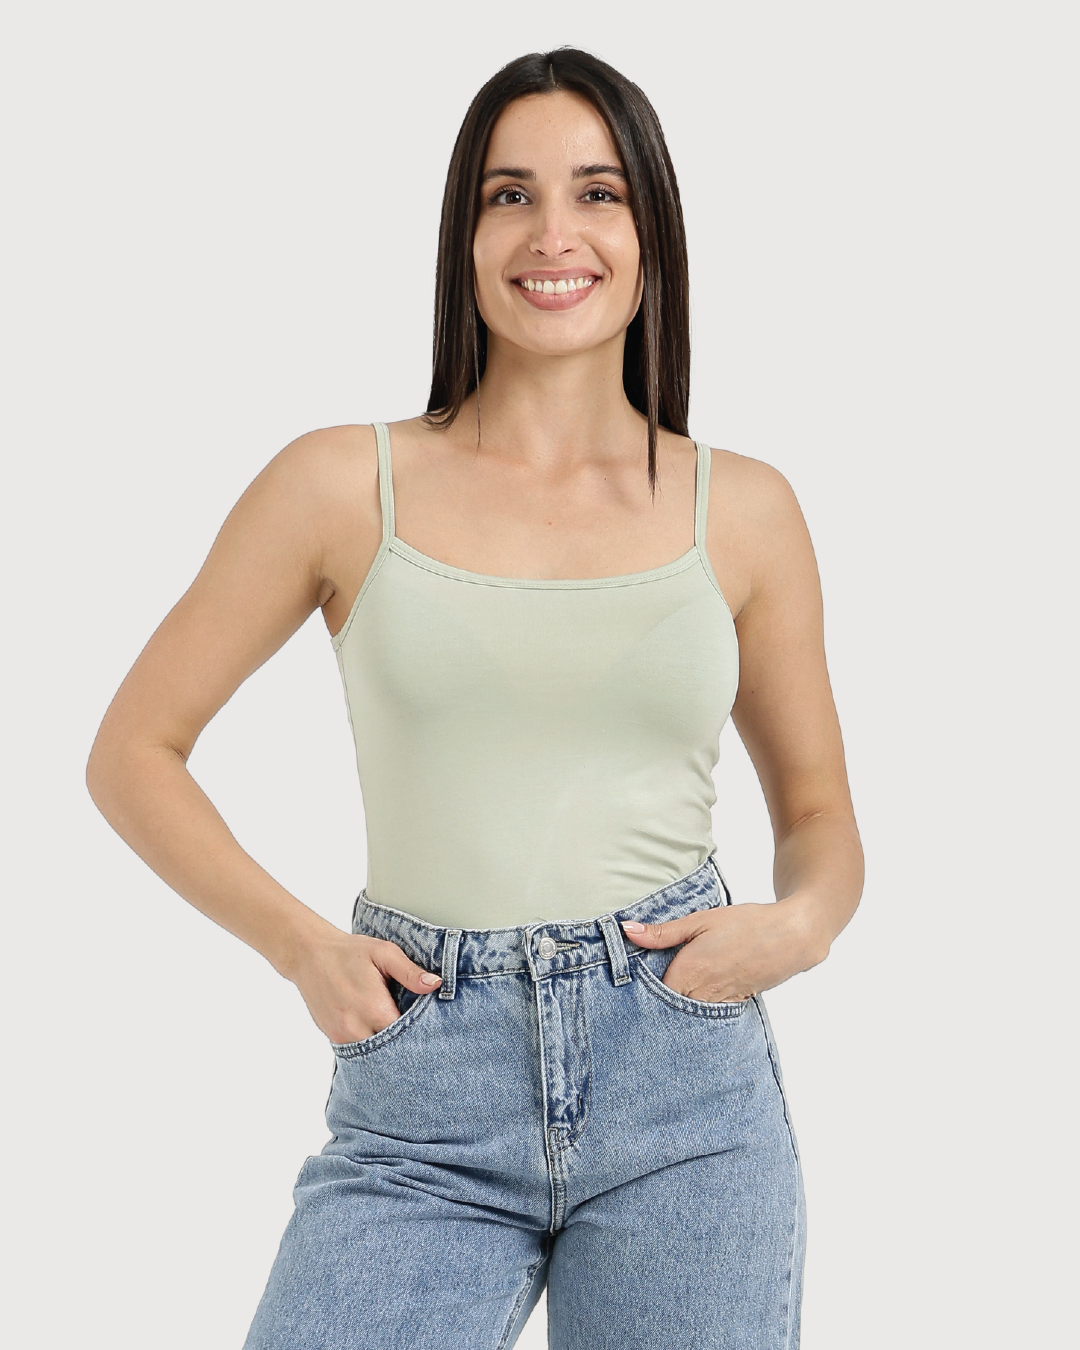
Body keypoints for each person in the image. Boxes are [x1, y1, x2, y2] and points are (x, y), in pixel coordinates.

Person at [87, 47, 863, 1350]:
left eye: (597, 193)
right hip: (424, 1089)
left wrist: (803, 924)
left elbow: (820, 811)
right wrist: (300, 945)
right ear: (465, 233)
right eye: (512, 196)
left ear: (651, 231)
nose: (554, 234)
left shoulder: (745, 509)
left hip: (684, 1086)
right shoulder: (340, 484)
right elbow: (133, 751)